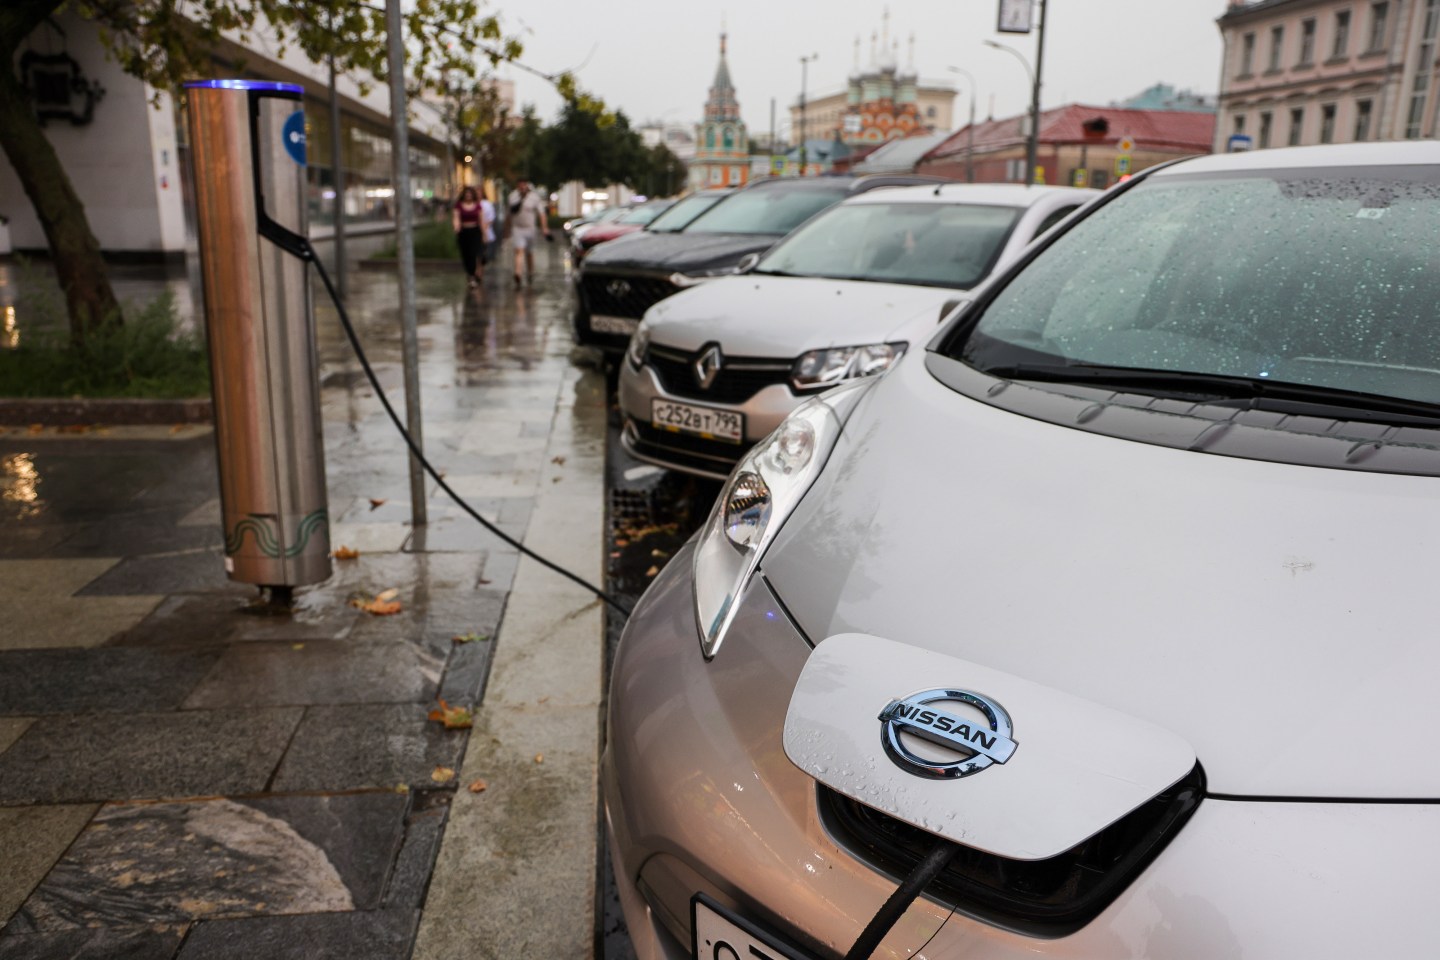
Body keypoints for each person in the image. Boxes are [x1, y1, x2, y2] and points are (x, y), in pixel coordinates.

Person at [506, 180, 552, 287]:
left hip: (530, 229)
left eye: (524, 185)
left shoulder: (534, 197)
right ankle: (518, 272)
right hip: (517, 228)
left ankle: (530, 272)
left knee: (529, 252)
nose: (522, 188)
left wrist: (544, 228)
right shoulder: (512, 196)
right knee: (519, 251)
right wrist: (506, 229)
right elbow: (509, 214)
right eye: (520, 185)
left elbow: (541, 214)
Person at [452, 186, 488, 287]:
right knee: (466, 254)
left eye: (470, 194)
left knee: (475, 253)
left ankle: (474, 274)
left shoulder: (477, 205)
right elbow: (456, 217)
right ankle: (470, 274)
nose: (468, 195)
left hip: (475, 231)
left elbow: (481, 220)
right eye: (466, 194)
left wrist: (484, 234)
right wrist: (456, 227)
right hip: (464, 232)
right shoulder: (459, 205)